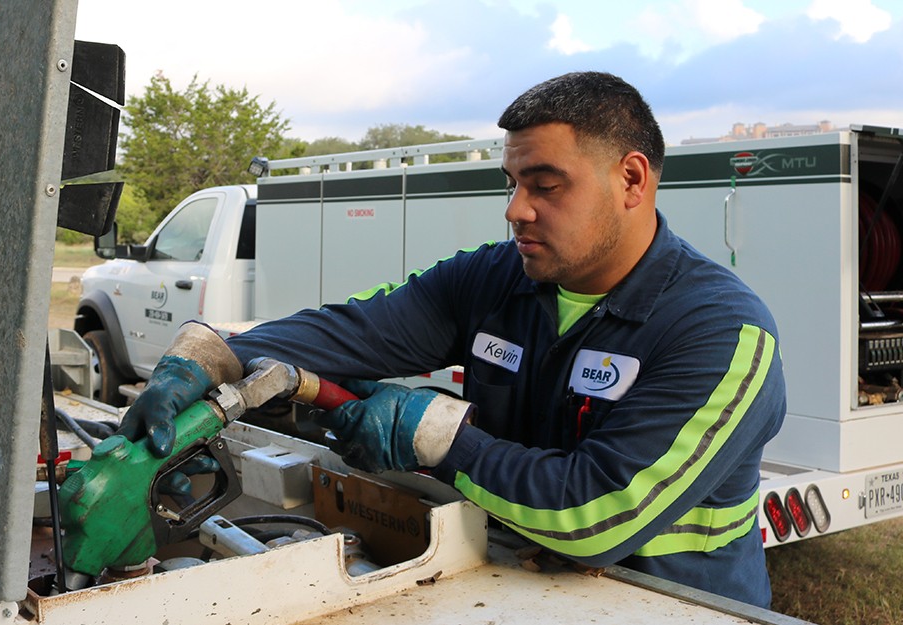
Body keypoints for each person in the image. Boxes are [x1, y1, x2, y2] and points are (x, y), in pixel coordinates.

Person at [117, 71, 786, 608]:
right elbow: (359, 330)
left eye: (546, 185)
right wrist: (212, 354)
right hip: (515, 589)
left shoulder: (722, 332)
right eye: (514, 182)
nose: (517, 208)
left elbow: (595, 514)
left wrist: (435, 435)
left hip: (668, 605)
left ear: (632, 179)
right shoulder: (499, 277)